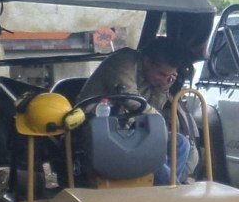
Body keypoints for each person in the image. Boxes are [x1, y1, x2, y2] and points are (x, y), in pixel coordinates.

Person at [76, 35, 197, 184]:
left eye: (169, 76)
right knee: (151, 156)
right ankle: (171, 192)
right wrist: (158, 124)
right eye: (161, 74)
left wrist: (162, 89)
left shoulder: (154, 78)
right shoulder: (123, 61)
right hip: (97, 128)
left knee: (181, 143)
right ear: (146, 61)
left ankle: (160, 191)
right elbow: (130, 99)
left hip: (129, 130)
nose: (163, 79)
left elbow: (151, 110)